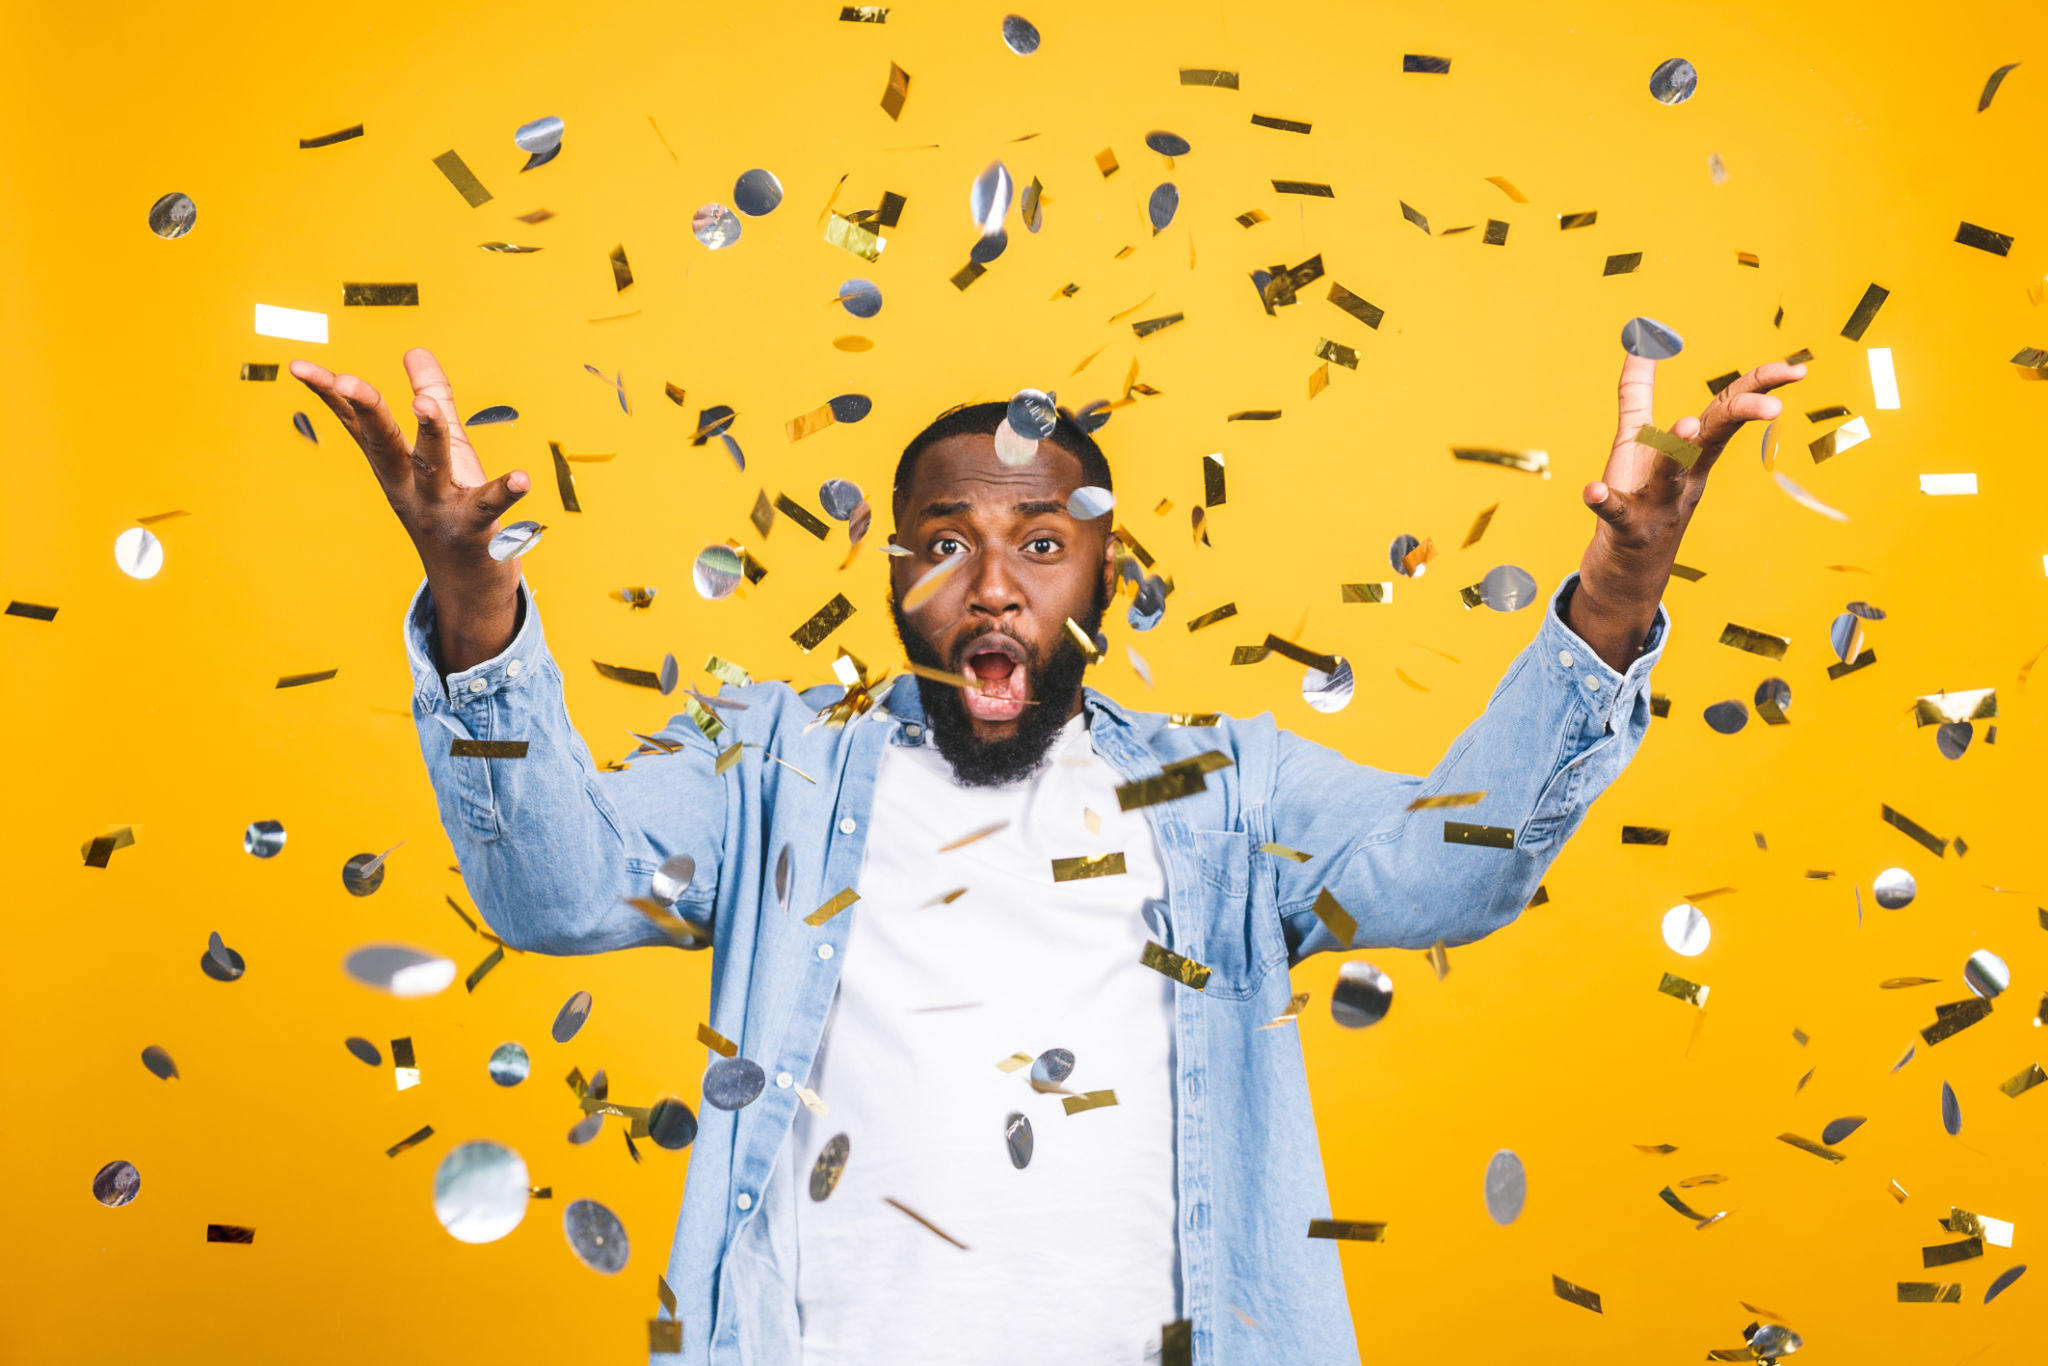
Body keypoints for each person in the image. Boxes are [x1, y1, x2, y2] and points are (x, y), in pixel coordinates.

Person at [291, 344, 1803, 1366]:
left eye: (1040, 541)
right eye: (944, 543)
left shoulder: (1229, 791)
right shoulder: (764, 770)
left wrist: (1613, 597)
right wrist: (470, 598)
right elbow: (551, 894)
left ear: (1105, 572)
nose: (993, 588)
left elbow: (1453, 872)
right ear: (891, 570)